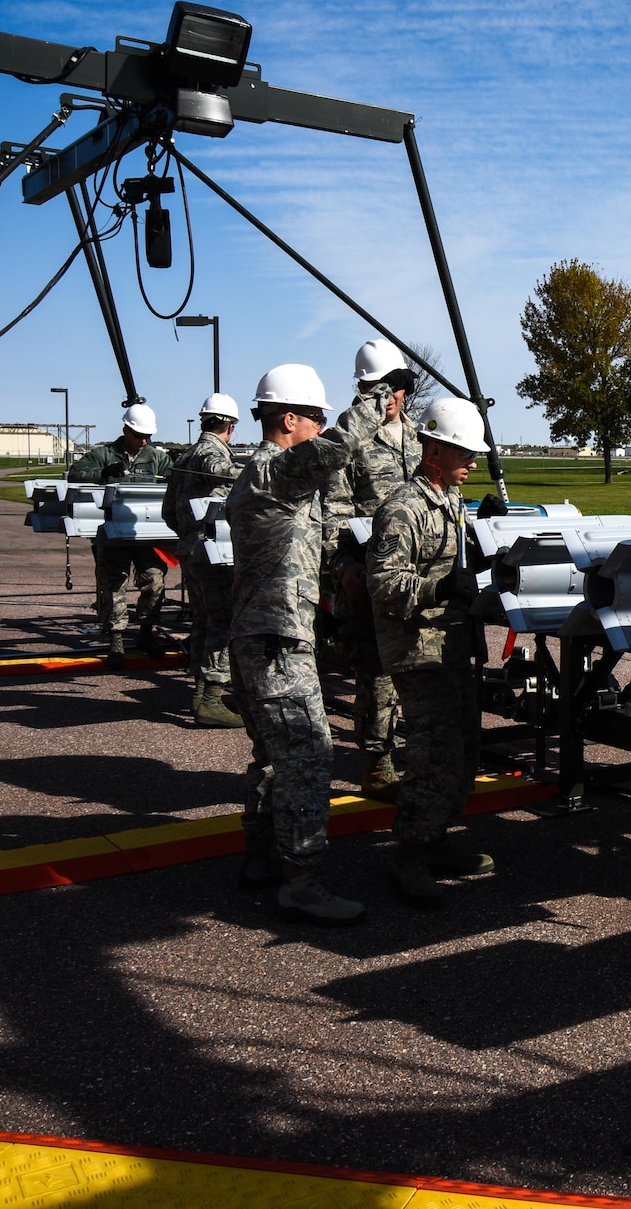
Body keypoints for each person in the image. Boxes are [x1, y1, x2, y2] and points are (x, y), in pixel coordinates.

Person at [227, 363, 406, 926]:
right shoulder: (273, 471)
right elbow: (334, 452)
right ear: (289, 419)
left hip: (264, 635)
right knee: (308, 754)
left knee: (273, 757)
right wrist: (379, 395)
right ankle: (303, 882)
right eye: (317, 417)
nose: (323, 427)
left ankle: (261, 858)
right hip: (276, 639)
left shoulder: (269, 477)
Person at [366, 395, 493, 907]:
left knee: (464, 748)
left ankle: (437, 837)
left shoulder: (450, 502)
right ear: (435, 450)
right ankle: (410, 856)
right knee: (433, 753)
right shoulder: (404, 508)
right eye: (464, 452)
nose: (473, 461)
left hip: (450, 644)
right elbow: (383, 582)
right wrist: (437, 590)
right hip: (418, 648)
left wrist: (487, 535)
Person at [322, 339, 423, 801]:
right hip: (366, 572)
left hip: (415, 572)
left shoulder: (420, 437)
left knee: (421, 671)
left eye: (397, 387)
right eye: (380, 388)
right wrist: (342, 567)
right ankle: (378, 762)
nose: (391, 397)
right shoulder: (349, 438)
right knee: (376, 675)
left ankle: (418, 755)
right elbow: (333, 511)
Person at [67, 404, 175, 661]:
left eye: (147, 436)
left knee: (154, 580)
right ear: (125, 430)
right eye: (139, 435)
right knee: (113, 583)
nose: (144, 441)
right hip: (113, 533)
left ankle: (147, 632)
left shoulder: (157, 457)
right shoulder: (104, 454)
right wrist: (101, 474)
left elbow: (175, 478)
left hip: (145, 533)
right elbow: (75, 474)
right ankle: (116, 638)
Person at [166, 393, 242, 729]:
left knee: (202, 620)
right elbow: (220, 471)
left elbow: (169, 511)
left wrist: (188, 533)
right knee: (222, 623)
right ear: (230, 426)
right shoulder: (212, 454)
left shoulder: (186, 455)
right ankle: (211, 698)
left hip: (190, 549)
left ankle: (199, 693)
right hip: (213, 551)